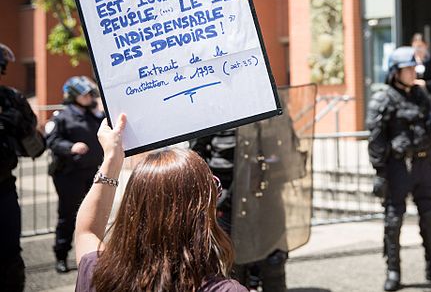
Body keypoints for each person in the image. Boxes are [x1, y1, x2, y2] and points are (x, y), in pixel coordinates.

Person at [74, 114, 246, 292]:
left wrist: (111, 159)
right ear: (200, 210)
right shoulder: (225, 290)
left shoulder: (96, 272)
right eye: (213, 187)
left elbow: (86, 231)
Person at [366, 46, 431, 291]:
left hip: (423, 164)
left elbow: (430, 129)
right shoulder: (382, 98)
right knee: (394, 220)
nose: (411, 72)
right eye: (406, 68)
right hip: (398, 167)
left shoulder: (421, 94)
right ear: (395, 71)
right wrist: (380, 173)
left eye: (412, 68)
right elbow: (376, 139)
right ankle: (393, 271)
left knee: (430, 216)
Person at [191, 130, 289, 292]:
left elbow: (283, 144)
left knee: (274, 259)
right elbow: (197, 154)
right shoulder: (215, 114)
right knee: (233, 261)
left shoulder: (269, 112)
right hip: (227, 201)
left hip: (266, 197)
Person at [46, 76, 104, 273]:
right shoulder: (62, 116)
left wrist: (98, 113)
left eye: (90, 93)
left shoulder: (94, 114)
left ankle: (92, 257)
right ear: (73, 96)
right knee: (68, 216)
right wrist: (71, 147)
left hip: (92, 173)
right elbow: (52, 141)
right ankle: (61, 256)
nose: (89, 97)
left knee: (94, 217)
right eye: (85, 94)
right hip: (69, 176)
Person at [0, 43, 43, 292]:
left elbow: (36, 149)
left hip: (2, 191)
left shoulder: (10, 100)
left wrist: (21, 127)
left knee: (8, 257)